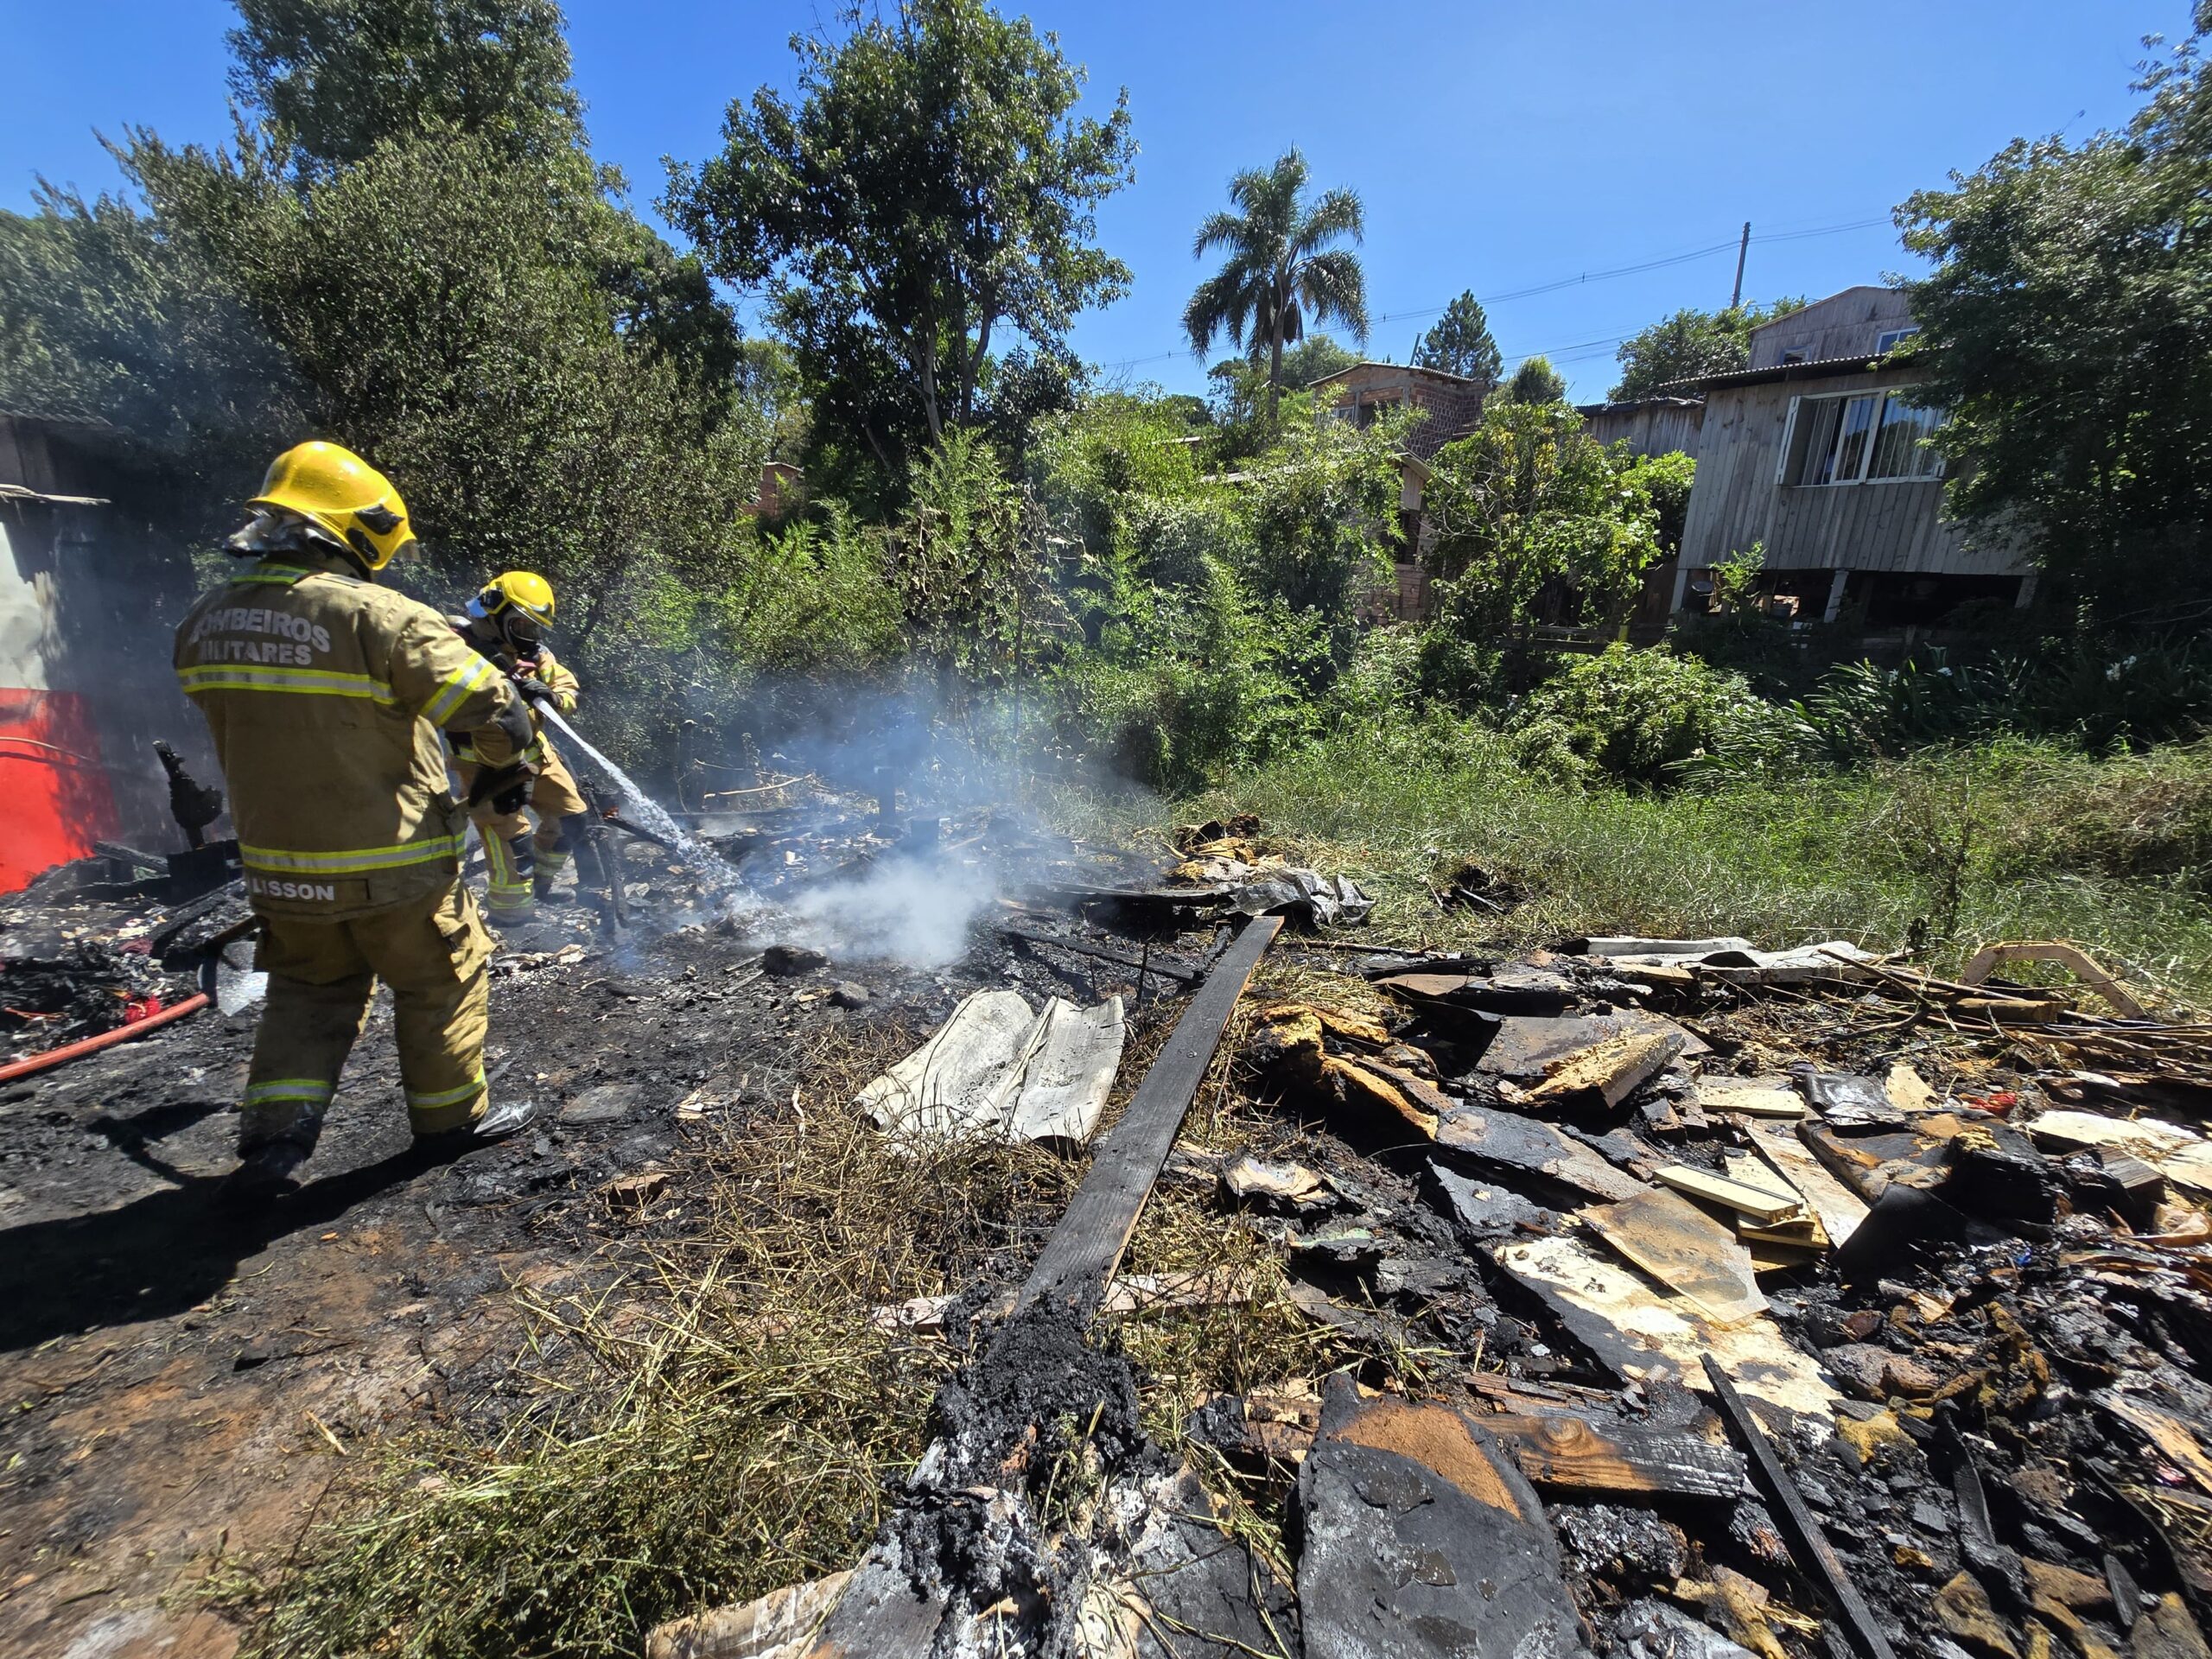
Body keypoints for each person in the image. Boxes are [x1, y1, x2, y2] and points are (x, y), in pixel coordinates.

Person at [175, 441, 538, 1197]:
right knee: (442, 977)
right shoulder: (378, 615)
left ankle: (275, 1145)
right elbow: (487, 711)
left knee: (310, 992)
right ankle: (448, 1124)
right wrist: (508, 729)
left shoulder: (205, 622)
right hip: (393, 863)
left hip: (279, 871)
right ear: (361, 528)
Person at [448, 571, 588, 926]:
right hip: (484, 766)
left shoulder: (535, 655)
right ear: (495, 613)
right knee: (513, 841)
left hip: (535, 754)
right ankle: (511, 916)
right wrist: (503, 684)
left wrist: (551, 695)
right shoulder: (452, 645)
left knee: (572, 817)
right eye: (523, 627)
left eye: (534, 630)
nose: (531, 638)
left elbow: (567, 688)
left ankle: (540, 886)